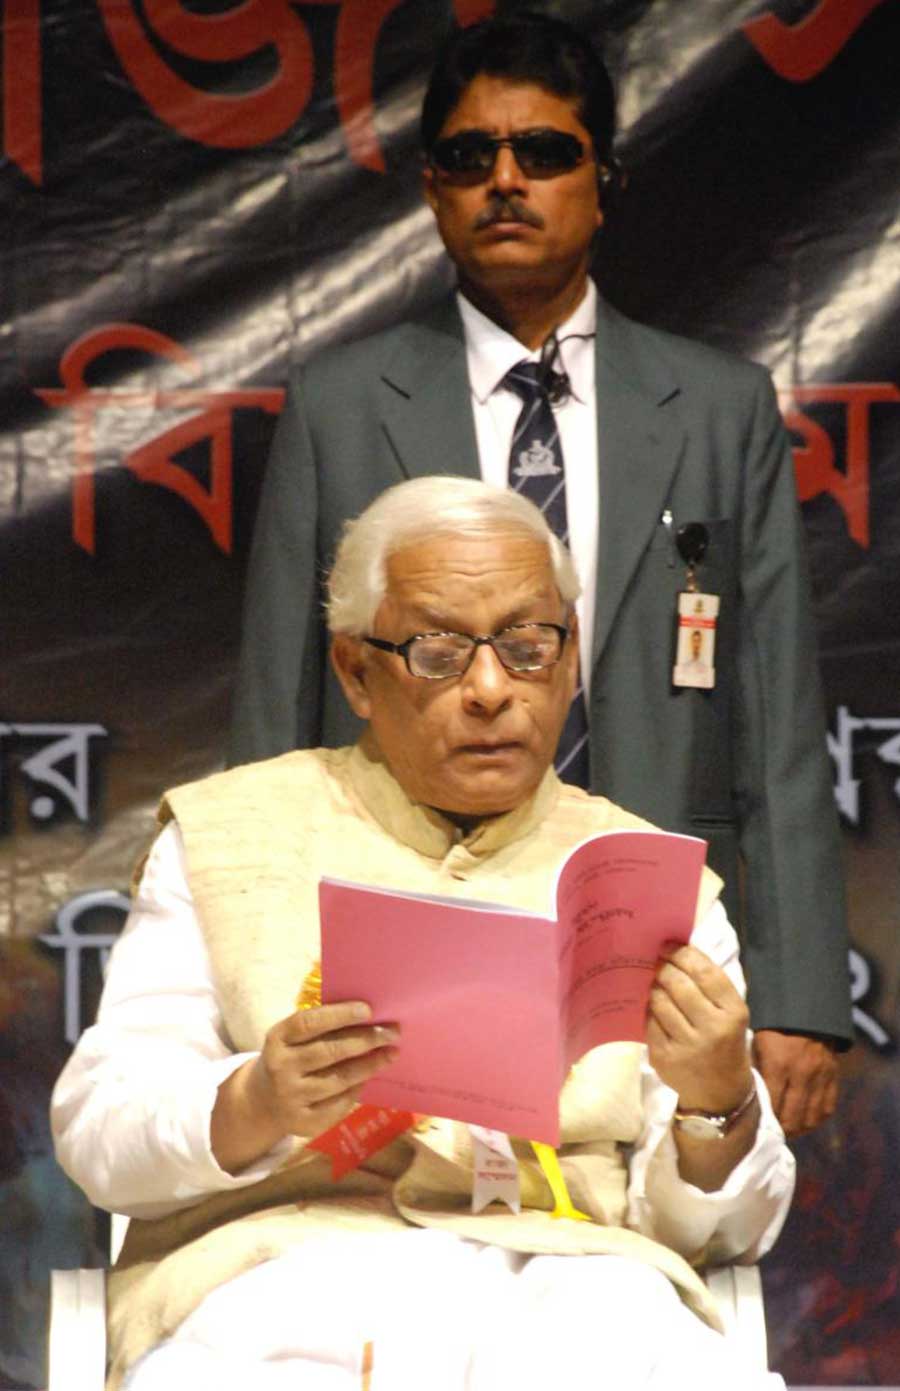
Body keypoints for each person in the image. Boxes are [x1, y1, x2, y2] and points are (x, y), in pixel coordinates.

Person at [228, 11, 851, 1135]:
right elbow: (277, 706)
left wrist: (802, 990)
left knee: (640, 1249)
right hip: (401, 933)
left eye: (545, 153)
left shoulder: (718, 408)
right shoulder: (341, 403)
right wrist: (264, 971)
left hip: (654, 947)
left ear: (602, 182)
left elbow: (780, 721)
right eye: (471, 157)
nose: (505, 181)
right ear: (431, 189)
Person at [53, 479, 794, 1391]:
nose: (490, 690)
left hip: (575, 1292)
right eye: (439, 653)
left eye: (527, 647)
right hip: (286, 1285)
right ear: (356, 673)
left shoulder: (639, 871)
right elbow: (98, 1132)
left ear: (569, 666)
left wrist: (718, 1102)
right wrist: (258, 1101)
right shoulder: (229, 837)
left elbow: (720, 1232)